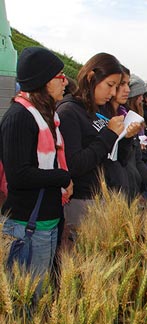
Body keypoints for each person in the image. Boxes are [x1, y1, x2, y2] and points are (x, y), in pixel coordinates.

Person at [0, 47, 72, 281]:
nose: (65, 83)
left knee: (41, 294)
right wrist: (62, 177)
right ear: (42, 81)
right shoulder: (19, 117)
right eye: (59, 77)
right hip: (27, 223)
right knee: (28, 297)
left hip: (47, 219)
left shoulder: (48, 116)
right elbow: (19, 175)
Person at [56, 53, 130, 248]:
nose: (113, 93)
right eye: (110, 85)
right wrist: (109, 135)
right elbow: (74, 164)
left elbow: (116, 157)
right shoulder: (69, 112)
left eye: (116, 86)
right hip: (83, 200)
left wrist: (126, 138)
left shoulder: (102, 109)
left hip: (107, 196)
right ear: (91, 77)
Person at [99, 68, 147, 200]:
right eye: (122, 84)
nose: (127, 89)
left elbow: (135, 160)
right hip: (109, 195)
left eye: (127, 84)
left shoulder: (128, 116)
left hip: (129, 191)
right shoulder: (99, 118)